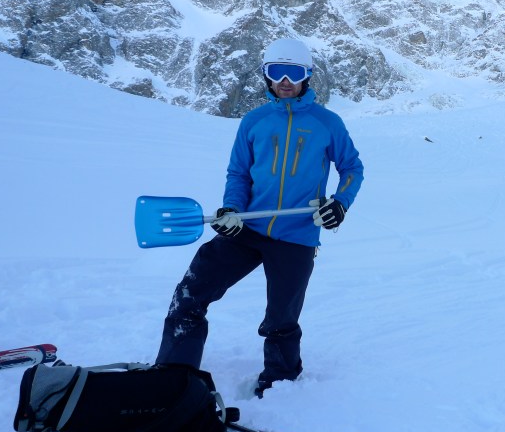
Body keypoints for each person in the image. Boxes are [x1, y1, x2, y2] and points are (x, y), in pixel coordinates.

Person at [155, 38, 364, 397]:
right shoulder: (254, 121)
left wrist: (340, 203)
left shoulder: (327, 123)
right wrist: (232, 209)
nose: (285, 81)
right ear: (266, 75)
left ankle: (279, 384)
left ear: (307, 75)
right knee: (189, 295)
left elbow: (352, 168)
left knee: (282, 319)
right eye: (276, 71)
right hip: (247, 228)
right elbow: (238, 173)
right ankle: (173, 374)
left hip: (296, 237)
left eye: (293, 72)